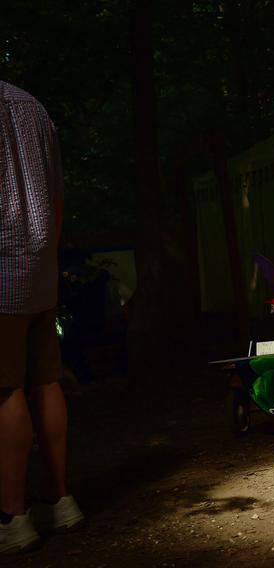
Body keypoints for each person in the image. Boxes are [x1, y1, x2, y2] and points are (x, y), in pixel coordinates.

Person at [0, 81, 84, 555]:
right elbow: (56, 196)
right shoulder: (32, 104)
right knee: (45, 379)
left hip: (2, 265)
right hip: (39, 262)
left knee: (5, 387)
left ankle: (13, 515)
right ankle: (60, 498)